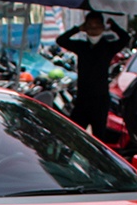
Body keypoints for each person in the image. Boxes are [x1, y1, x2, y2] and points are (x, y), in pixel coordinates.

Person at [53, 10, 130, 139]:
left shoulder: (108, 47)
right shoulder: (82, 47)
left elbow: (125, 38)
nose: (93, 29)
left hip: (100, 101)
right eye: (90, 26)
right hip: (83, 99)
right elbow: (61, 40)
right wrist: (77, 29)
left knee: (99, 138)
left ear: (102, 27)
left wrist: (114, 26)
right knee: (73, 135)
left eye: (97, 26)